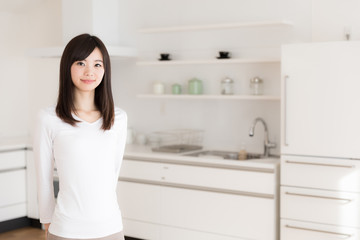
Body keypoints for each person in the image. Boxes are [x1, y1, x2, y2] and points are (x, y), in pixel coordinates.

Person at [33, 33, 127, 240]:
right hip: (67, 229)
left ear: (105, 70)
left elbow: (113, 174)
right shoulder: (49, 118)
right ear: (68, 67)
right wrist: (46, 220)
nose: (89, 72)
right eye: (81, 63)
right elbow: (43, 176)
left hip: (111, 227)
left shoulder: (118, 119)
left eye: (97, 65)